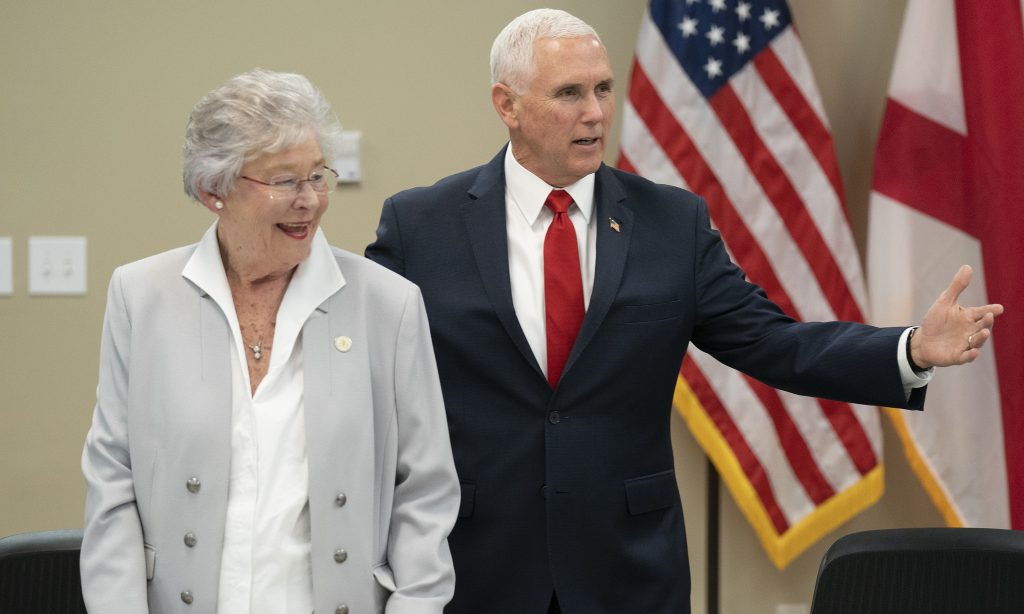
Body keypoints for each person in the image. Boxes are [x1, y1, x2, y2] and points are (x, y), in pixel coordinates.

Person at [365, 9, 1003, 614]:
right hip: (477, 565)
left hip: (628, 570)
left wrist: (909, 349)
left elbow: (775, 342)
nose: (596, 113)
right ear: (507, 105)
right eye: (569, 94)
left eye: (603, 89)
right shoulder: (421, 226)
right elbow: (368, 382)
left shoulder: (672, 222)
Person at [81, 69, 460, 614]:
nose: (309, 201)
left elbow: (425, 492)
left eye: (317, 176)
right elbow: (112, 481)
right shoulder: (142, 296)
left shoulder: (388, 304)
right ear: (214, 190)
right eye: (284, 181)